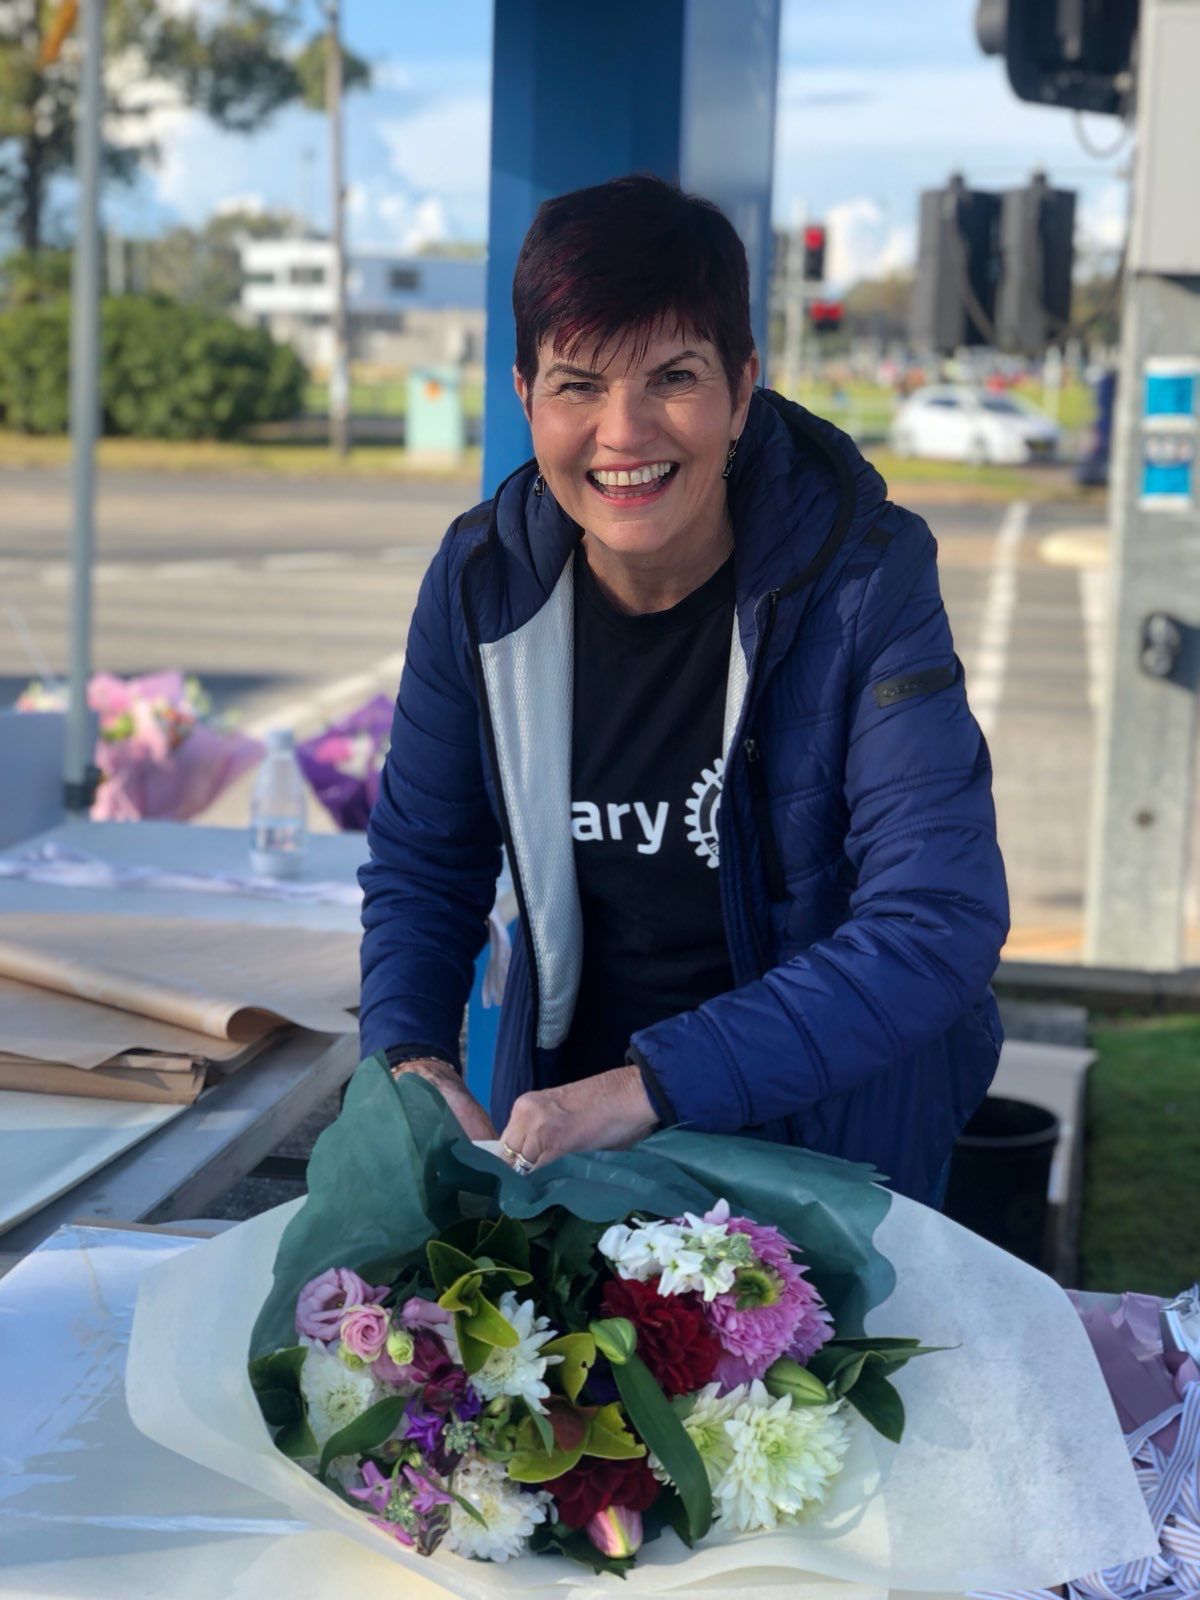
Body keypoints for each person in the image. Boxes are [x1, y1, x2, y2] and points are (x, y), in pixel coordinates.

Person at [359, 175, 1009, 1206]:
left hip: (830, 1137)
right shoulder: (480, 581)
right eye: (577, 384)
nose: (624, 433)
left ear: (743, 389)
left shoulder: (863, 577)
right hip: (569, 1138)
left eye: (673, 376)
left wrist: (651, 1084)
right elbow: (424, 864)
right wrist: (414, 1059)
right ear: (523, 394)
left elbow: (938, 917)